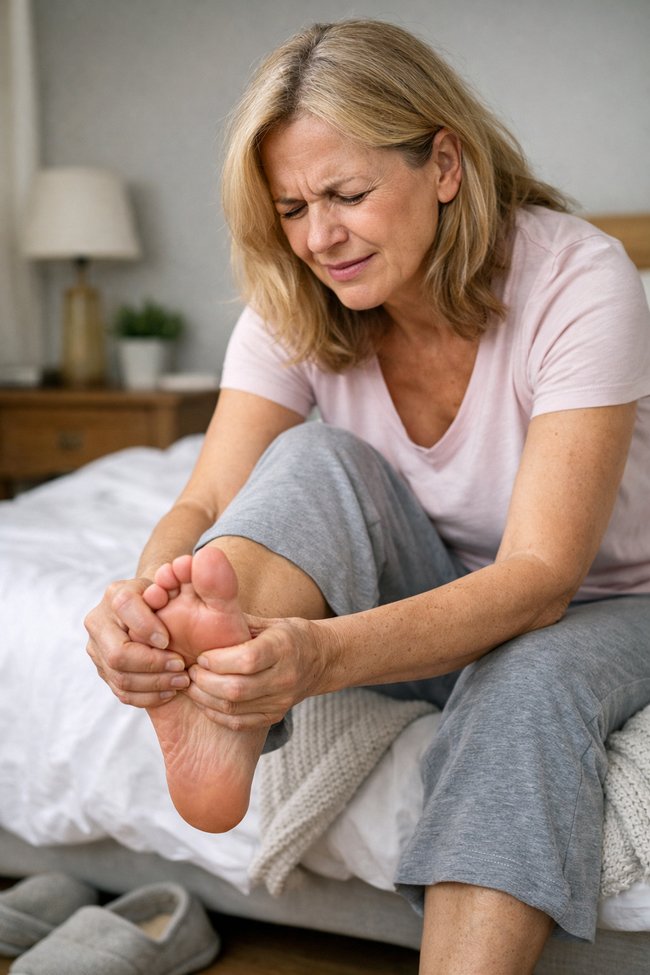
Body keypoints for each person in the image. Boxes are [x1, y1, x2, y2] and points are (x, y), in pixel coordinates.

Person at [85, 19, 650, 975]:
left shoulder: (580, 277)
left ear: (444, 163)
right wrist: (148, 611)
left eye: (347, 195)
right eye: (292, 207)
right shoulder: (295, 297)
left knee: (528, 675)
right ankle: (221, 709)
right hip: (422, 591)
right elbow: (211, 494)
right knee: (311, 462)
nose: (319, 238)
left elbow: (543, 578)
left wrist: (314, 657)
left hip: (607, 603)